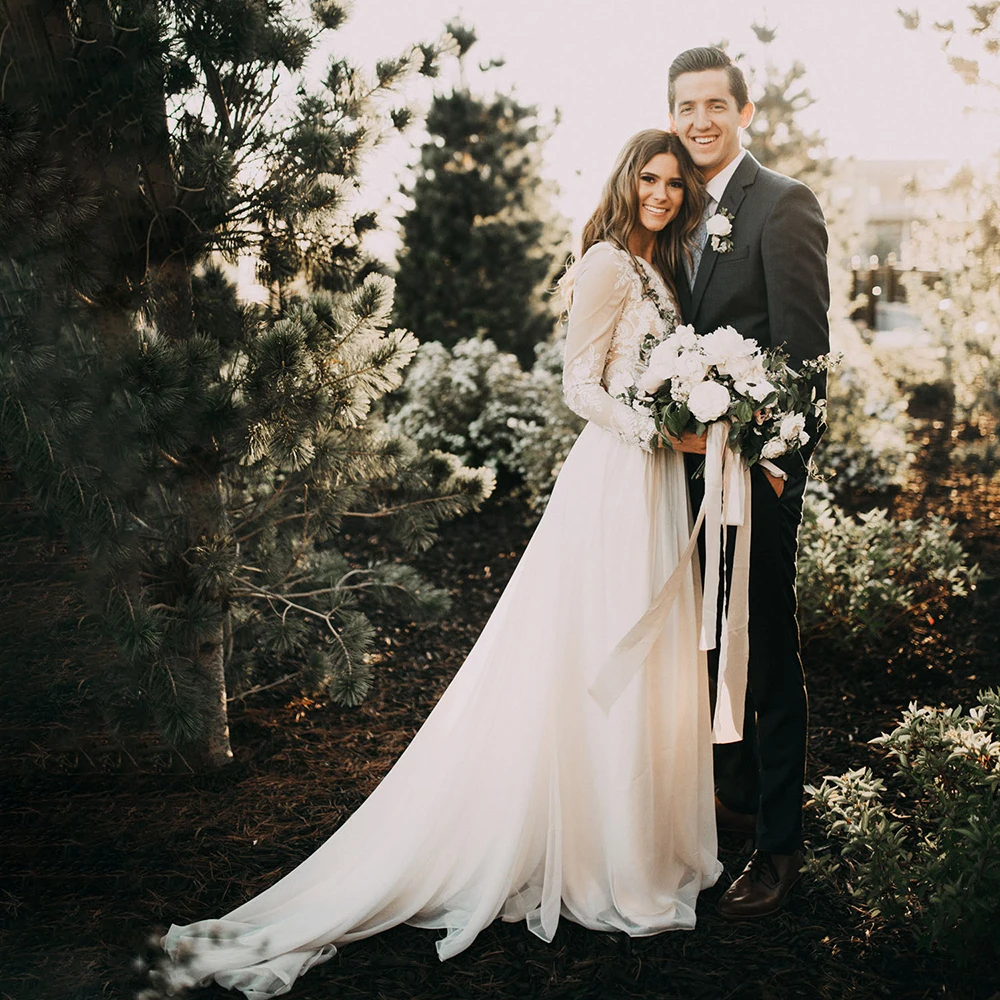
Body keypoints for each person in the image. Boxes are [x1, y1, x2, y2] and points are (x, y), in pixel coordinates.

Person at [159, 130, 721, 999]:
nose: (660, 193)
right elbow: (579, 386)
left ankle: (637, 842)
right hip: (617, 481)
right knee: (602, 650)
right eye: (648, 178)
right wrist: (656, 430)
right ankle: (600, 851)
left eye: (673, 183)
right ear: (625, 182)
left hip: (655, 486)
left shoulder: (662, 272)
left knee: (641, 660)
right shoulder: (609, 263)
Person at [665, 46, 831, 918]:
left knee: (763, 657)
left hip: (751, 482)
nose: (699, 121)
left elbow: (806, 359)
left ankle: (779, 846)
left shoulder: (783, 205)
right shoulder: (669, 204)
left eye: (714, 106)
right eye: (685, 106)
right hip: (675, 478)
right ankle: (726, 810)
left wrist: (775, 473)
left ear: (746, 110)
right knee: (696, 651)